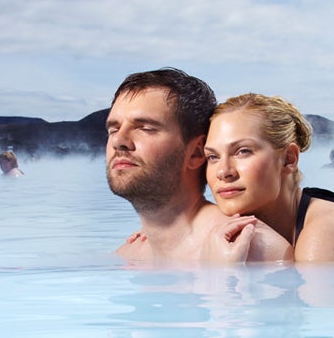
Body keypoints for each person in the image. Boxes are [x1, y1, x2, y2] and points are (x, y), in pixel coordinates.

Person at [105, 68, 292, 264]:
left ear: (196, 153)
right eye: (113, 129)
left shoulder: (251, 247)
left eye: (146, 128)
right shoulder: (128, 255)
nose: (118, 140)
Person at [203, 93, 334, 263]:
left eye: (242, 151)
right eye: (213, 156)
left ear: (288, 159)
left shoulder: (325, 234)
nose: (223, 171)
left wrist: (226, 276)